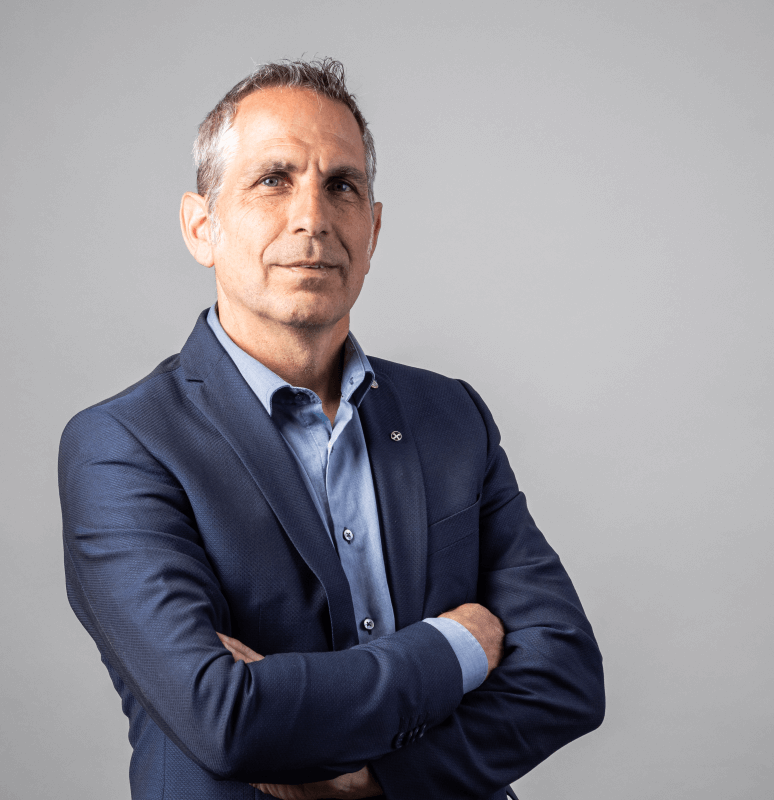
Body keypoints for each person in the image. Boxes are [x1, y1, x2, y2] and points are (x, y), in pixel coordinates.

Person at [59, 58, 604, 800]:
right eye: (272, 180)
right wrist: (457, 645)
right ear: (201, 226)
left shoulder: (451, 416)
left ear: (372, 231)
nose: (312, 218)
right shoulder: (123, 446)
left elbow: (567, 675)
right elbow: (224, 718)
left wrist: (379, 778)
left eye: (341, 185)